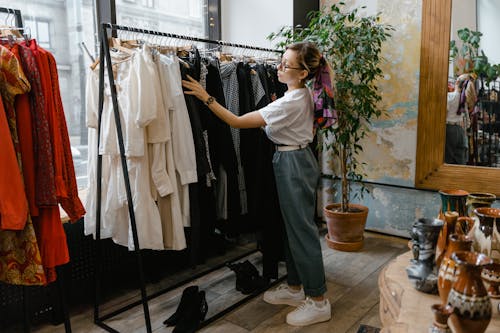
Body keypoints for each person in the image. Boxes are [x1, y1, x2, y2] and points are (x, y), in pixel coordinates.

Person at [182, 41, 331, 327]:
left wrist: (206, 96)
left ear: (302, 73)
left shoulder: (293, 100)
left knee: (302, 232)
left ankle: (318, 300)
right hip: (292, 159)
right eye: (281, 61)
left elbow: (236, 121)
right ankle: (296, 287)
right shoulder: (298, 94)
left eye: (286, 65)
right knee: (292, 228)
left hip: (293, 163)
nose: (279, 67)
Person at [445, 74, 473, 165]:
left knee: (447, 158)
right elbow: (467, 121)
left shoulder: (449, 96)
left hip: (449, 129)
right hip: (460, 130)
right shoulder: (464, 100)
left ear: (457, 82)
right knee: (460, 159)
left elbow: (444, 113)